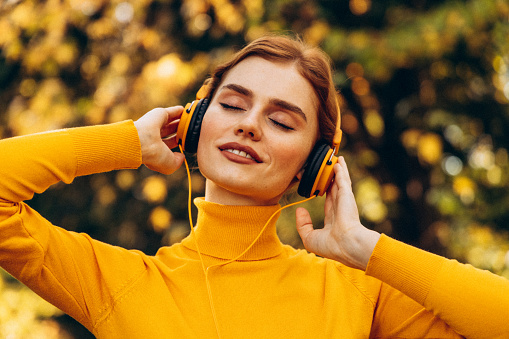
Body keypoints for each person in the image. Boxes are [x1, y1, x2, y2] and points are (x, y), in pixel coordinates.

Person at [0, 34, 508, 339]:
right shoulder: (121, 283)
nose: (249, 126)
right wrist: (127, 141)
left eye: (283, 122)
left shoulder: (355, 291)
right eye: (233, 104)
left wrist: (365, 248)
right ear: (196, 122)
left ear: (313, 166)